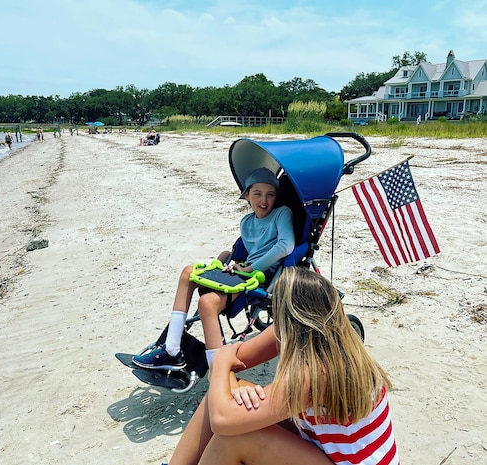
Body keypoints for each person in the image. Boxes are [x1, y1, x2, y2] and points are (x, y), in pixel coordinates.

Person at [167, 267, 400, 465]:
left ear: (289, 319)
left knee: (234, 435)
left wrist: (220, 368)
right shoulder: (329, 337)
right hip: (332, 451)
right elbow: (234, 361)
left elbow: (222, 419)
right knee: (223, 402)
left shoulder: (317, 372)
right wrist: (230, 384)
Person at [132, 167, 295, 370]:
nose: (264, 200)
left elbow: (286, 245)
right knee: (187, 272)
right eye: (257, 194)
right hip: (244, 269)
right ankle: (172, 350)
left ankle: (218, 376)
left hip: (260, 274)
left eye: (270, 195)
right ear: (247, 196)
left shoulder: (282, 213)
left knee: (207, 303)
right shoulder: (246, 222)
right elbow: (250, 250)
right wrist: (233, 264)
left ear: (277, 197)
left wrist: (249, 268)